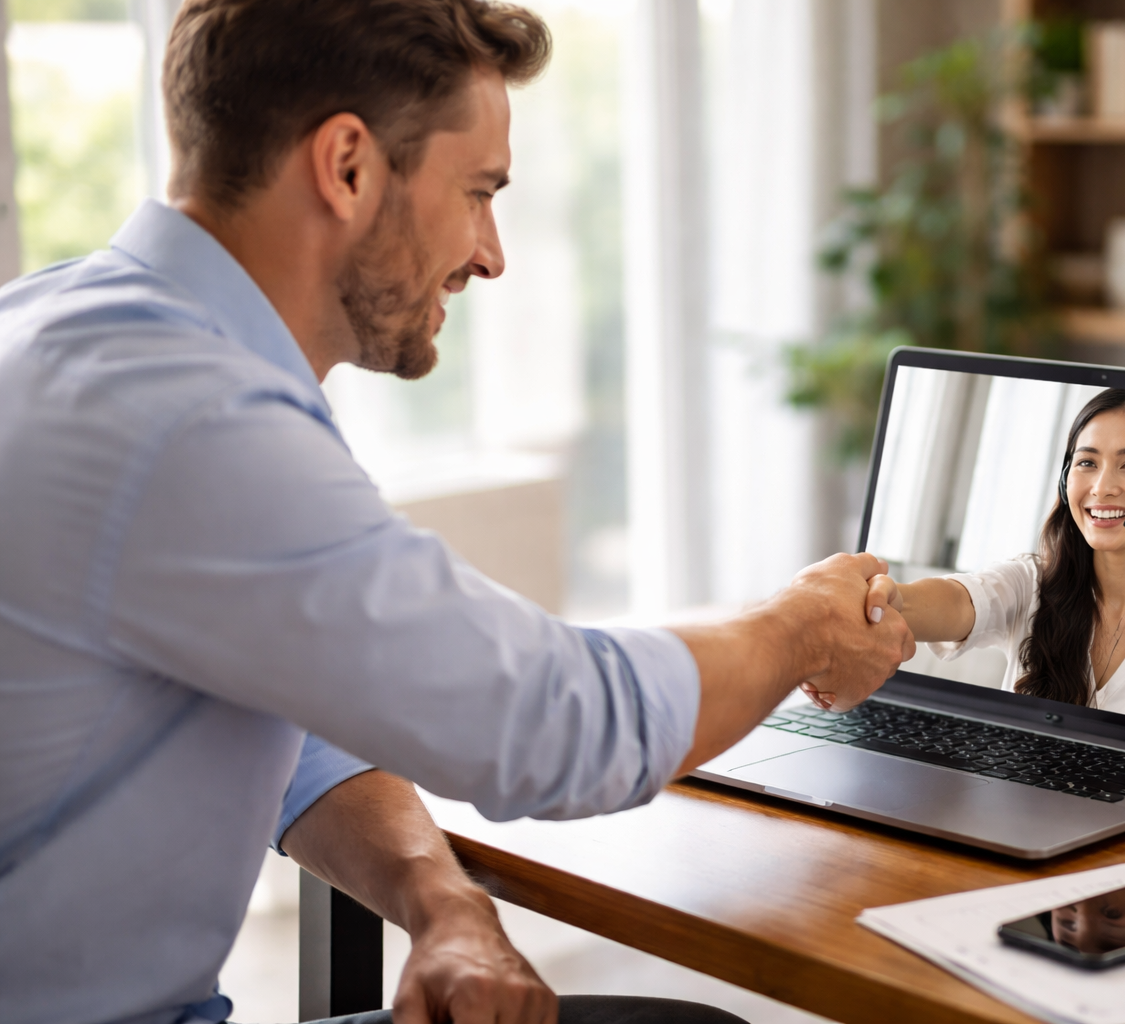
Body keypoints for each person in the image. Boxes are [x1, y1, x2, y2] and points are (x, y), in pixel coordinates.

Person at [0, 3, 915, 1024]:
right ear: (347, 164)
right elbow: (564, 725)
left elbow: (299, 720)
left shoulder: (65, 324)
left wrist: (446, 906)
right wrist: (803, 626)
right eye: (478, 193)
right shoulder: (193, 421)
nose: (491, 254)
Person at [841, 389, 1125, 735]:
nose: (1102, 487)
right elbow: (956, 601)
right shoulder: (1033, 585)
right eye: (1087, 462)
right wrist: (889, 600)